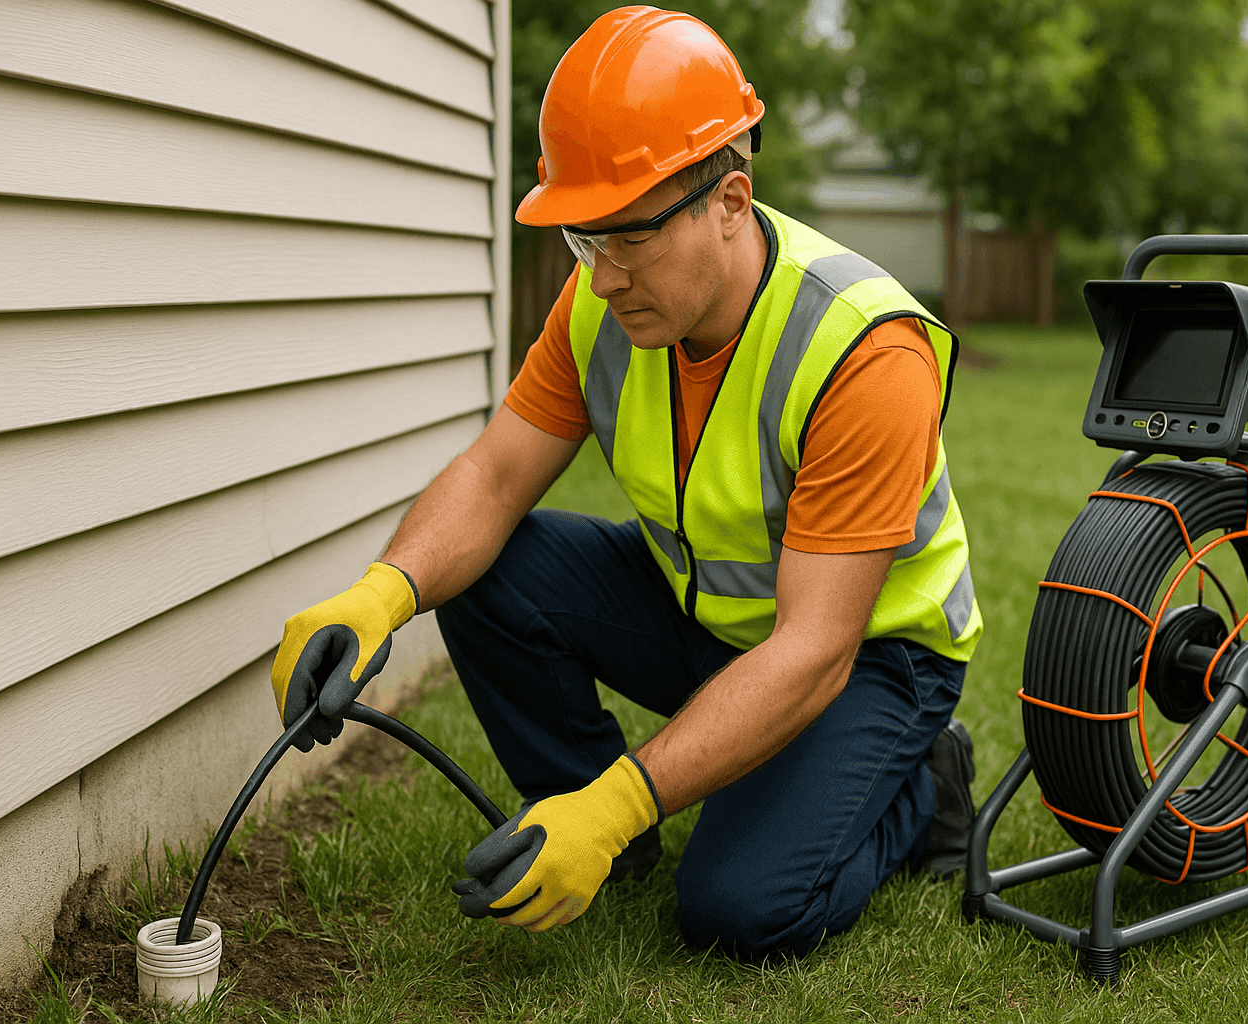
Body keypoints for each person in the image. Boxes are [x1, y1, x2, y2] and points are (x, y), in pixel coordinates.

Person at [269, 5, 981, 959]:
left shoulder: (863, 350)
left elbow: (815, 649)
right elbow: (492, 476)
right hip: (708, 613)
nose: (601, 278)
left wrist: (616, 800)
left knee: (740, 909)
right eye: (582, 239)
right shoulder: (606, 301)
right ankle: (603, 831)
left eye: (627, 238)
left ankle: (924, 787)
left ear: (731, 203)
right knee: (486, 568)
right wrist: (375, 596)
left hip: (869, 658)